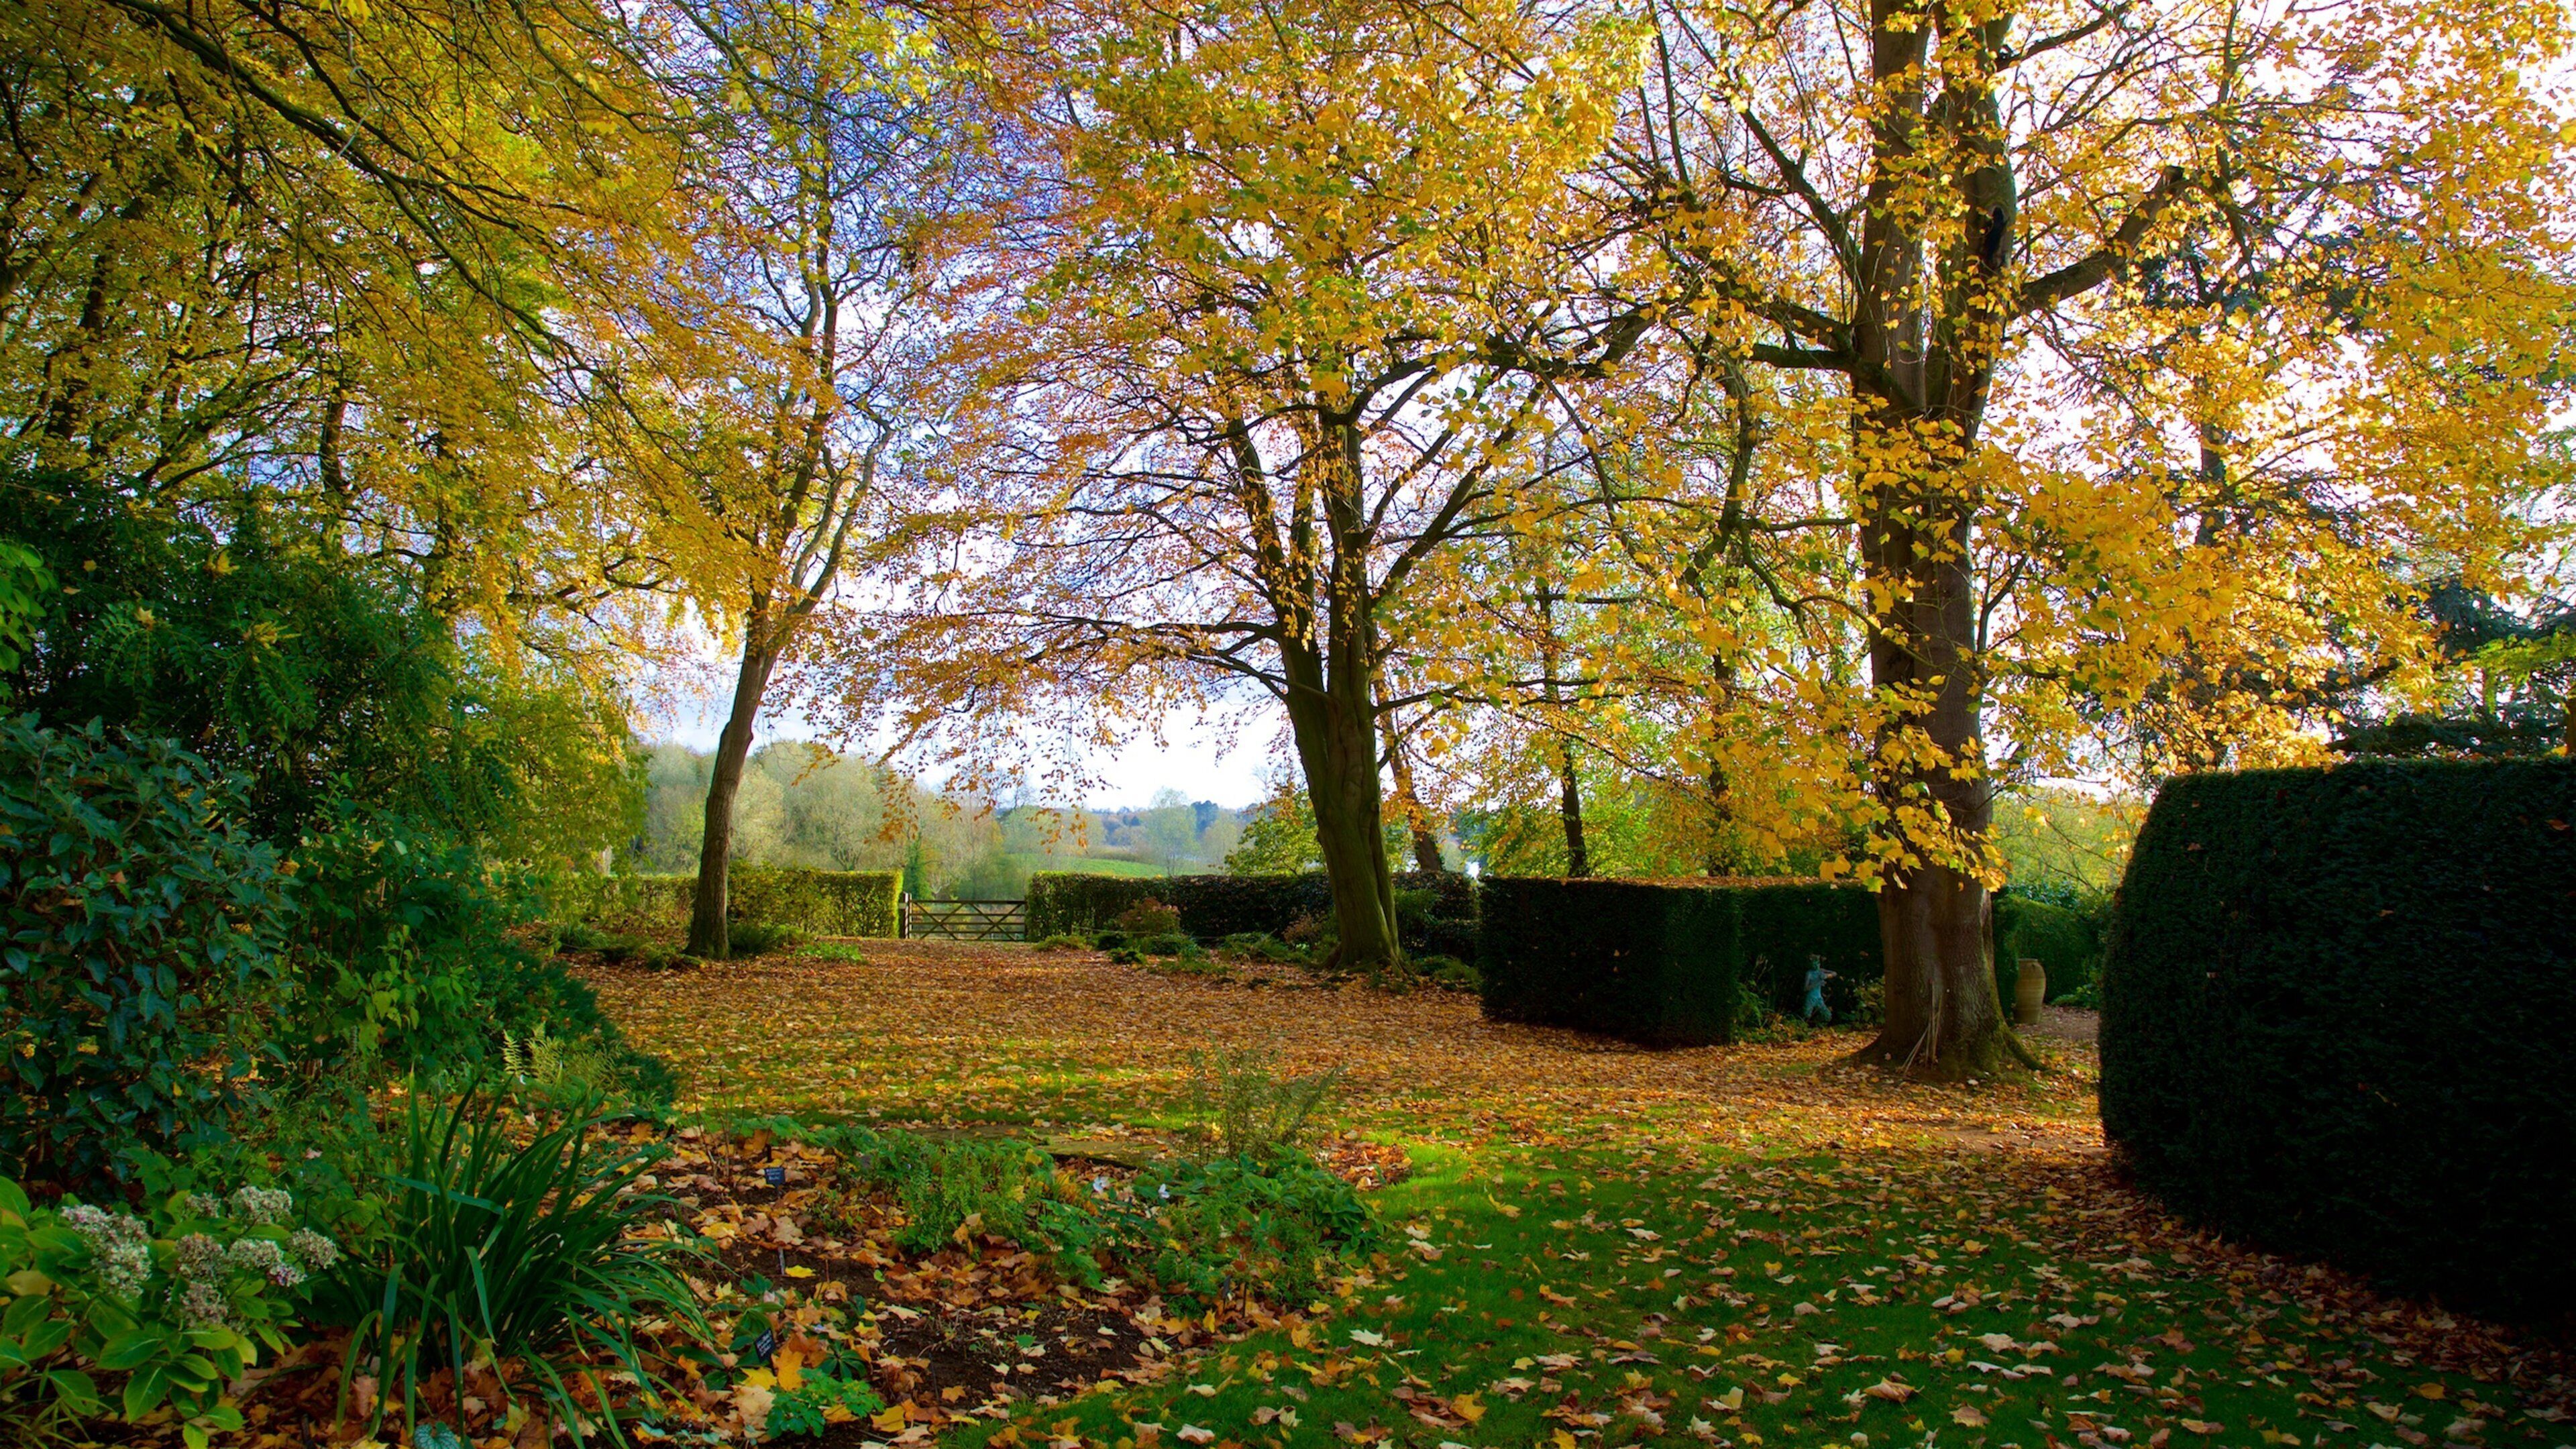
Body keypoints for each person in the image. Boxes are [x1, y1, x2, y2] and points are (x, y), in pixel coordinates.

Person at [1802, 955, 1837, 1025]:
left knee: (1827, 1016)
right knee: (1806, 1016)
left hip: (1819, 998)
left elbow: (1835, 973)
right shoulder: (1809, 973)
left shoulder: (1820, 971)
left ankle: (1816, 1025)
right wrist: (1818, 983)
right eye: (1814, 963)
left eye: (1818, 963)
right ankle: (1803, 1028)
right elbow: (1805, 988)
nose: (1816, 965)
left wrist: (1827, 976)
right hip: (1811, 998)